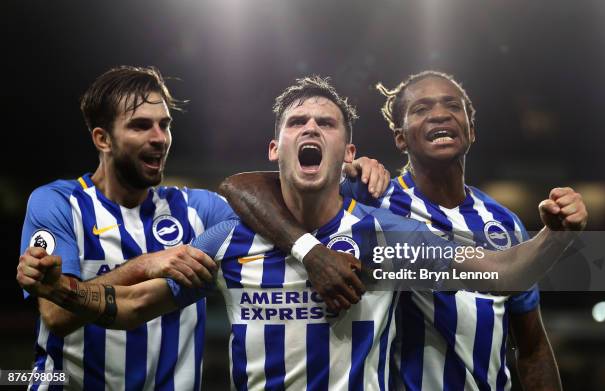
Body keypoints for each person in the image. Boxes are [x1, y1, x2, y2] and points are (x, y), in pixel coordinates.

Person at [18, 76, 587, 390]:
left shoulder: (382, 237)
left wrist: (554, 237)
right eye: (296, 123)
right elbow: (130, 307)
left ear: (349, 153)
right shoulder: (230, 237)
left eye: (326, 123)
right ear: (276, 149)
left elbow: (501, 273)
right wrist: (59, 291)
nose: (310, 128)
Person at [18, 67, 388, 390]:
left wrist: (349, 179)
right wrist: (145, 264)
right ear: (102, 139)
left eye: (165, 125)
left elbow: (255, 197)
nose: (159, 137)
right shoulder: (56, 203)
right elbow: (56, 315)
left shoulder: (200, 209)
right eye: (141, 126)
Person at [217, 71, 580, 390]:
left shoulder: (503, 222)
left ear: (471, 129)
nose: (439, 113)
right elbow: (248, 188)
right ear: (400, 138)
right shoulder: (375, 200)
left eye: (452, 105)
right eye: (421, 109)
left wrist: (557, 235)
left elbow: (531, 344)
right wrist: (313, 248)